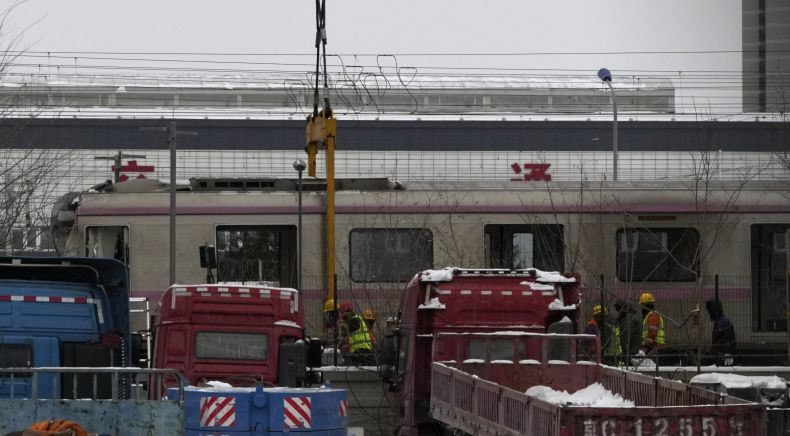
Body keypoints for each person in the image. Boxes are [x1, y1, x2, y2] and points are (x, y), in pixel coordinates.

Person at [706, 299, 735, 365]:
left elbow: (728, 339)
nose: (709, 312)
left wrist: (727, 353)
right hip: (719, 355)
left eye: (710, 310)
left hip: (722, 357)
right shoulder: (719, 321)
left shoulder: (724, 321)